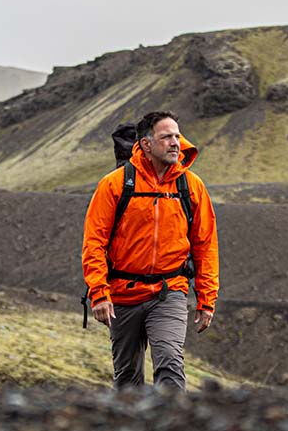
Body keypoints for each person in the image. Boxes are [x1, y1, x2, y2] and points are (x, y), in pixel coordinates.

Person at [82, 110, 219, 390]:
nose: (175, 143)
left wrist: (207, 298)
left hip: (169, 292)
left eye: (177, 136)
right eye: (166, 137)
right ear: (146, 144)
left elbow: (206, 246)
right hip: (123, 295)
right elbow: (94, 242)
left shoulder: (191, 186)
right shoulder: (114, 184)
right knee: (128, 377)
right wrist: (98, 292)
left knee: (170, 360)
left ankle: (171, 428)